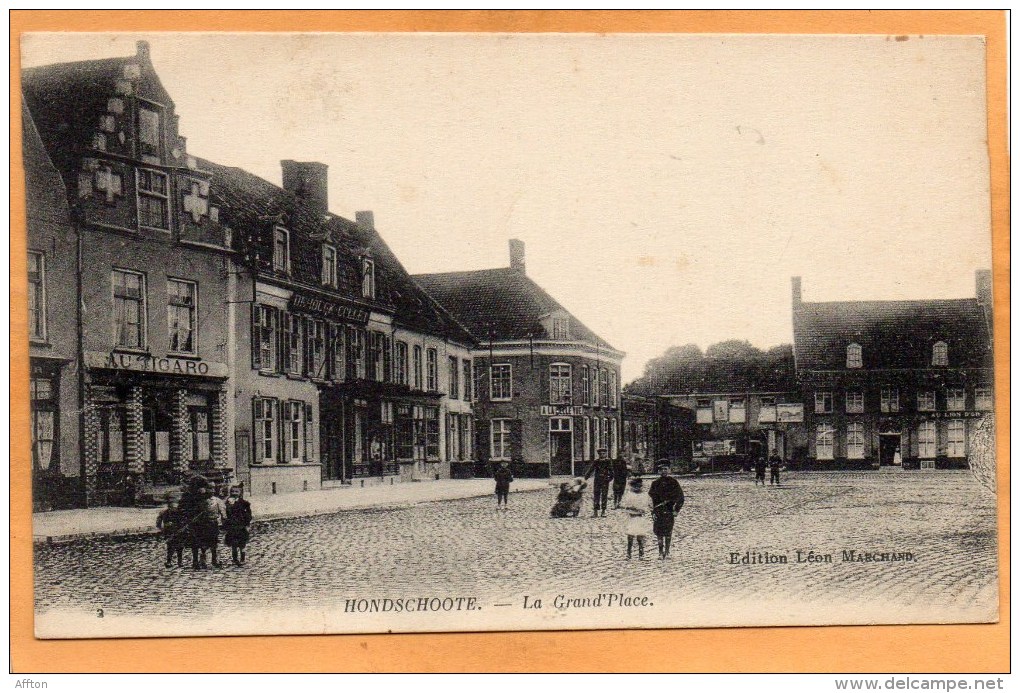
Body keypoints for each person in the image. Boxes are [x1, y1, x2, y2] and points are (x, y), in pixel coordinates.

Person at [648, 461, 685, 559]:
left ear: (669, 470)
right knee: (659, 532)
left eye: (665, 469)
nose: (663, 471)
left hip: (669, 510)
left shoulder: (673, 482)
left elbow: (680, 497)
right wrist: (652, 512)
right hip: (658, 510)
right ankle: (660, 552)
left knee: (668, 531)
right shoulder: (655, 483)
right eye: (661, 469)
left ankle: (667, 552)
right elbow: (651, 500)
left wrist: (676, 510)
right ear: (658, 471)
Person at [619, 476, 652, 559]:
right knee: (630, 536)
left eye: (639, 486)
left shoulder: (644, 495)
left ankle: (641, 554)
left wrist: (640, 509)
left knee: (640, 536)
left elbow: (645, 507)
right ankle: (628, 554)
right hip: (630, 518)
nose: (637, 488)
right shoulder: (629, 494)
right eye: (635, 486)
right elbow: (623, 504)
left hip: (639, 518)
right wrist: (629, 508)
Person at [223, 485, 253, 566]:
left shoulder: (244, 503)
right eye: (232, 491)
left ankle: (242, 558)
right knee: (234, 544)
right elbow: (225, 514)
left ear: (240, 493)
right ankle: (235, 559)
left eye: (236, 491)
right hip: (232, 526)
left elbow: (248, 515)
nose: (234, 493)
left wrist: (247, 524)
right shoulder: (227, 503)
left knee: (242, 544)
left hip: (241, 526)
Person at [156, 495, 185, 568]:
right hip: (169, 532)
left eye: (175, 507)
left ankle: (180, 562)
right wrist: (163, 529)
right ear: (169, 506)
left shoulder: (180, 513)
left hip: (179, 532)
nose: (174, 508)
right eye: (172, 507)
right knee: (170, 547)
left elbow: (184, 521)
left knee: (180, 547)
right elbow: (158, 523)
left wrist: (182, 528)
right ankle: (169, 561)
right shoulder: (164, 513)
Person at [584, 449, 613, 517]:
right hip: (597, 480)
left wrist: (609, 479)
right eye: (600, 454)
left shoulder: (608, 461)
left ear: (606, 454)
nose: (602, 455)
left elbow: (611, 471)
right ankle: (595, 511)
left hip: (605, 480)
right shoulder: (596, 462)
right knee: (596, 495)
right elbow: (591, 469)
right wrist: (586, 477)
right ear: (598, 455)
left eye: (603, 454)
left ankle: (603, 511)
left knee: (604, 495)